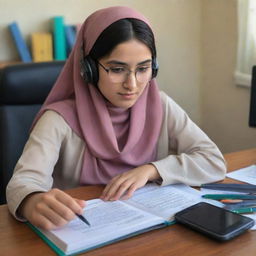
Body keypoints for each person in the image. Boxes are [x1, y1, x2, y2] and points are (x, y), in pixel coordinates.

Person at [6, 6, 226, 230]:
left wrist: (151, 170)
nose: (132, 84)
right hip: (82, 230)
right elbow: (22, 183)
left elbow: (214, 161)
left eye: (143, 69)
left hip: (146, 232)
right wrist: (32, 200)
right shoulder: (58, 119)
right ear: (88, 68)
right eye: (117, 69)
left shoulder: (161, 105)